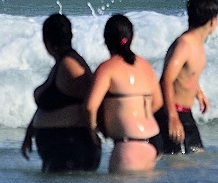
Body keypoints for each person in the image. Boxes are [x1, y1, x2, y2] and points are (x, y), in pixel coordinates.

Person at [21, 14, 101, 172]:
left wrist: (92, 133)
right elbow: (54, 102)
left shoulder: (70, 65)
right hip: (63, 148)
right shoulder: (62, 63)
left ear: (46, 41)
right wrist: (30, 131)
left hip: (71, 147)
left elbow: (91, 102)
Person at [86, 14, 163, 173]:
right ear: (131, 38)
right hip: (155, 139)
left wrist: (92, 132)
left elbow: (89, 107)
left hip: (130, 144)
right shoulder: (145, 65)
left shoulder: (107, 68)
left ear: (106, 40)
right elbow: (158, 102)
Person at [153, 0, 218, 154]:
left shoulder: (197, 44)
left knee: (199, 158)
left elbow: (186, 74)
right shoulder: (184, 45)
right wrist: (173, 118)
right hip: (173, 113)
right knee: (179, 165)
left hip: (185, 113)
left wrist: (198, 92)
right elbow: (166, 80)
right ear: (212, 21)